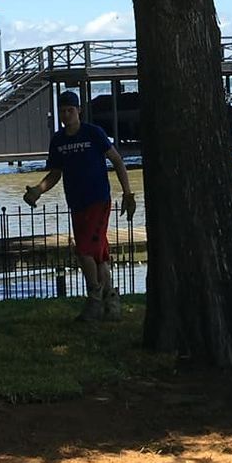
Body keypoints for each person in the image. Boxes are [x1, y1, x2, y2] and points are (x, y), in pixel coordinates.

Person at [25, 89, 136, 321]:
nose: (66, 115)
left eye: (70, 110)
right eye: (63, 111)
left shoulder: (93, 133)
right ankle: (111, 301)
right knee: (99, 256)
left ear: (79, 111)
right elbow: (55, 174)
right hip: (76, 203)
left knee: (84, 251)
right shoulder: (58, 141)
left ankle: (94, 300)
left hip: (98, 200)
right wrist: (38, 191)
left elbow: (116, 160)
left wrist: (127, 193)